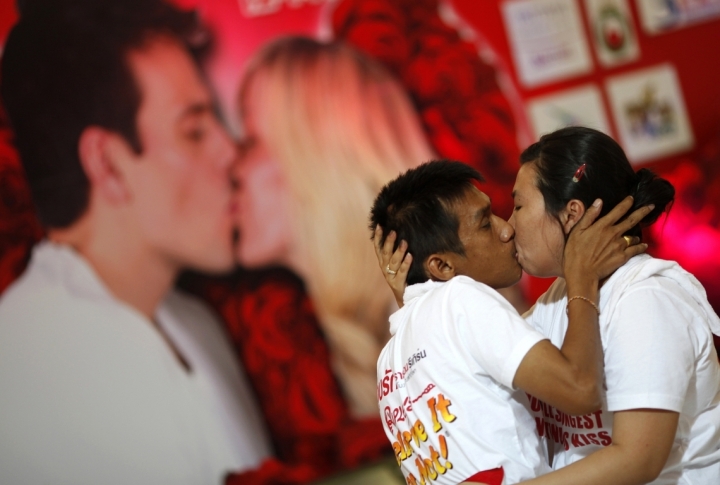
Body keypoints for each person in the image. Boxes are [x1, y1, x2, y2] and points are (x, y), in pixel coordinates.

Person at [0, 1, 272, 483]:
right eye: (193, 131)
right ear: (106, 164)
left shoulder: (196, 324)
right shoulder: (24, 365)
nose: (229, 150)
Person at [377, 127, 720, 484]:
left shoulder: (645, 299)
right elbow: (462, 359)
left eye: (519, 206)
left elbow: (639, 459)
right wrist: (418, 298)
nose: (508, 227)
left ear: (570, 214)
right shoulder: (554, 300)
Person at [234, 36, 436, 417]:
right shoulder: (327, 344)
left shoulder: (445, 328)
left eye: (248, 141)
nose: (231, 166)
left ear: (320, 163)